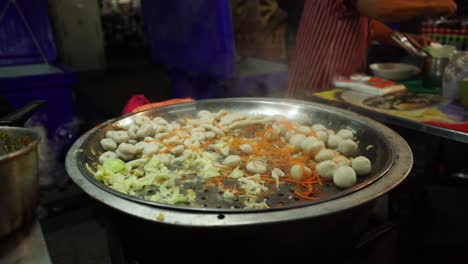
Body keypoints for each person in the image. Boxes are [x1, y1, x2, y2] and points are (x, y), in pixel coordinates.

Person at [286, 0, 458, 97]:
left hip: (339, 87)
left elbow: (365, 22)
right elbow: (377, 8)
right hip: (318, 89)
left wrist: (403, 39)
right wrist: (436, 5)